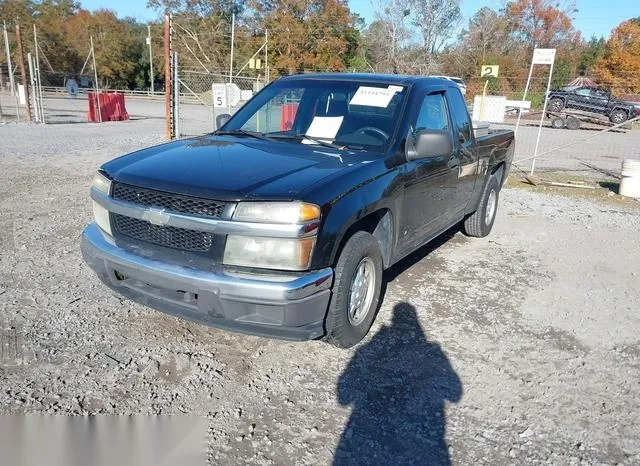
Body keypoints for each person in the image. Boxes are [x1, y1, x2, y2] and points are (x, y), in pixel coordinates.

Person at [335, 302, 462, 465]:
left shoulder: (368, 349)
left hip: (366, 434)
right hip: (417, 441)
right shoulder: (433, 351)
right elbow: (455, 394)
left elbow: (343, 397)